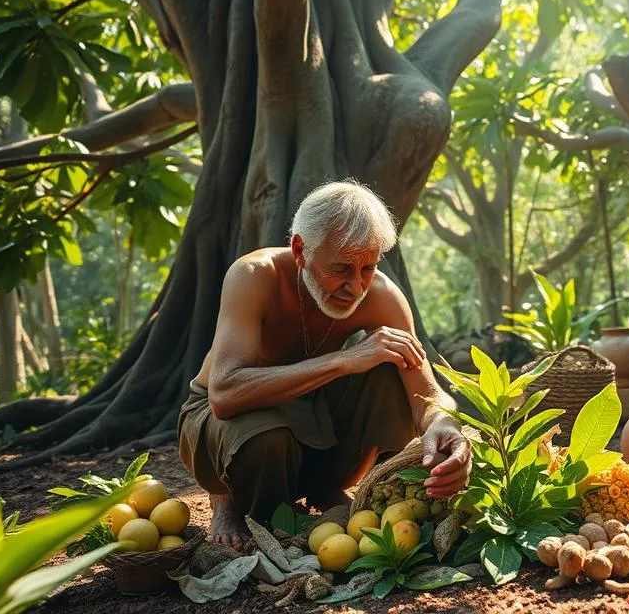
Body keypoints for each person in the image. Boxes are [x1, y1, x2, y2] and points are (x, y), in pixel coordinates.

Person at [178, 181, 472, 549]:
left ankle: (325, 488)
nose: (355, 286)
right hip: (228, 421)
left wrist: (444, 425)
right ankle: (229, 499)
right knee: (266, 437)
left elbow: (427, 394)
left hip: (311, 415)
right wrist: (346, 359)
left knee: (390, 360)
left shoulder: (381, 295)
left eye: (368, 267)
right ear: (300, 250)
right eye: (341, 269)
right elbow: (224, 394)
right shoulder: (254, 276)